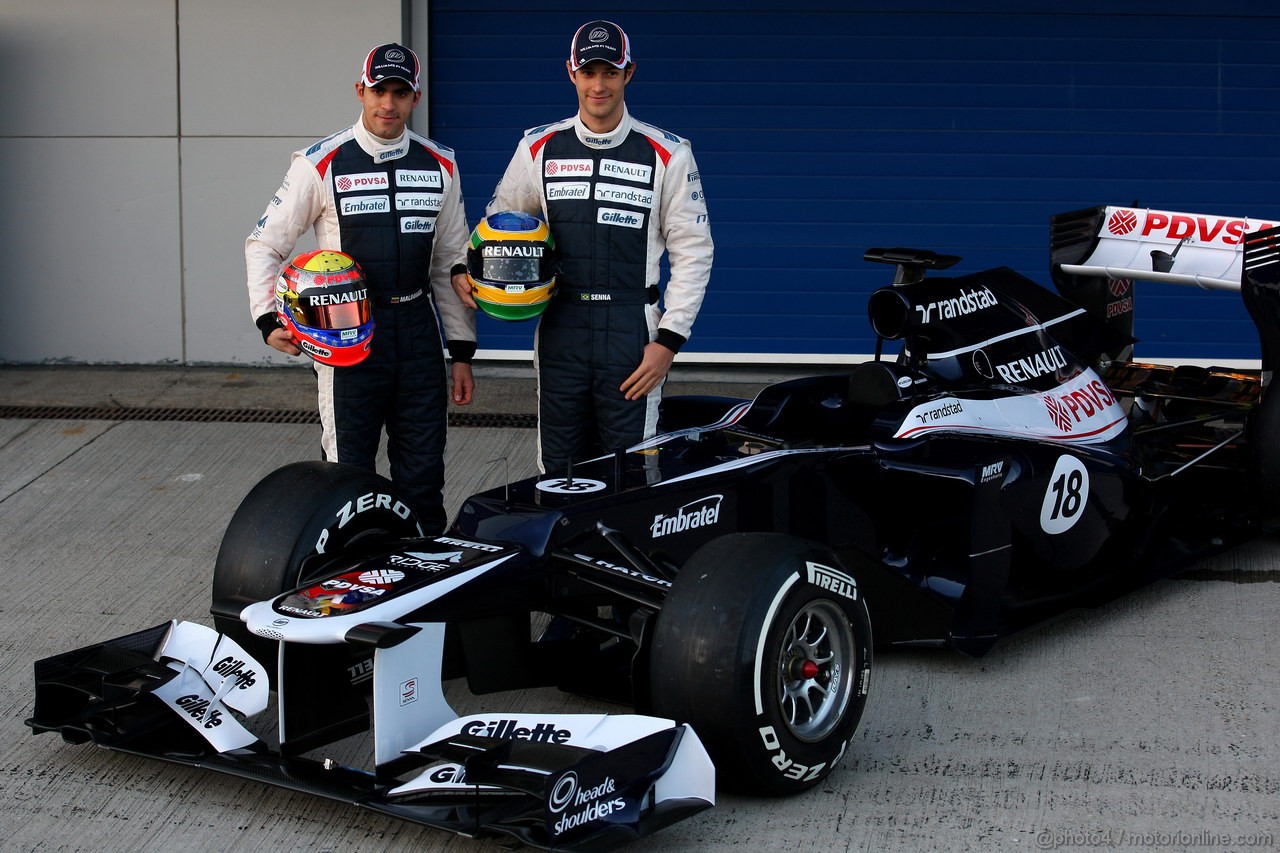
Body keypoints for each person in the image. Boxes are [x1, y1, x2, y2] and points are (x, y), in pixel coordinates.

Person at [244, 43, 477, 534]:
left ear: (415, 97)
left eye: (399, 92)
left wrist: (460, 351)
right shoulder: (320, 162)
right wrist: (268, 318)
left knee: (423, 478)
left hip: (417, 335)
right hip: (344, 338)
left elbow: (449, 264)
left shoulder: (442, 164)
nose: (387, 104)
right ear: (360, 91)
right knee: (347, 477)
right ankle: (348, 590)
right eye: (378, 91)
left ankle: (424, 587)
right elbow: (263, 244)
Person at [480, 19, 713, 472]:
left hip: (631, 330)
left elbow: (694, 250)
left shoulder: (668, 152)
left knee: (628, 472)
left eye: (610, 72)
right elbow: (499, 225)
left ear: (629, 73)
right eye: (589, 72)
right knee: (560, 469)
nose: (599, 84)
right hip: (560, 323)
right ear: (572, 73)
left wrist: (668, 340)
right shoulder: (537, 147)